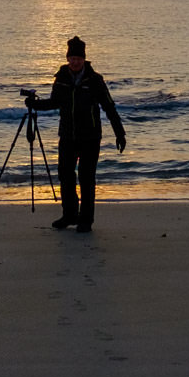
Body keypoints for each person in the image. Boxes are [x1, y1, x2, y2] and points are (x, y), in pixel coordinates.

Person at [26, 36, 125, 233]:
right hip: (67, 136)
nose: (75, 62)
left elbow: (109, 106)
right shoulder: (61, 78)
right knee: (65, 176)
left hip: (90, 137)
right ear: (67, 58)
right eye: (72, 58)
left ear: (84, 59)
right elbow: (54, 102)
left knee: (86, 178)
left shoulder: (95, 80)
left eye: (78, 59)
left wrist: (119, 133)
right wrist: (35, 104)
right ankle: (69, 214)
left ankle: (86, 220)